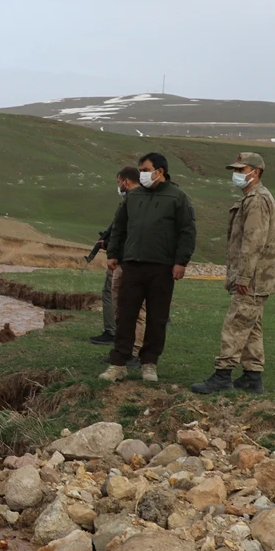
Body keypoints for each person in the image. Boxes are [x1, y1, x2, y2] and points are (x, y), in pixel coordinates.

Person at [100, 152, 197, 383]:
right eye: (140, 170)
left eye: (145, 169)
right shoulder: (133, 197)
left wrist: (180, 262)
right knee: (125, 315)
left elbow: (187, 231)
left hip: (162, 267)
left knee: (157, 317)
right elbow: (120, 227)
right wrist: (113, 254)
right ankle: (119, 364)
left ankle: (149, 363)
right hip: (132, 264)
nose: (141, 174)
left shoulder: (178, 197)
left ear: (159, 171)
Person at [192, 152, 275, 395]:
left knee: (236, 323)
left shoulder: (257, 200)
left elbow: (253, 241)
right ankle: (252, 376)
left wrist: (243, 276)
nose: (237, 175)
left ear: (256, 172)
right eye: (236, 170)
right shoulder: (251, 198)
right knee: (252, 327)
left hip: (252, 278)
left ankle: (223, 375)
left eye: (241, 170)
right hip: (256, 277)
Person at [92, 168, 144, 363]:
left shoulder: (135, 203)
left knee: (132, 308)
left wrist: (114, 251)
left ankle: (131, 351)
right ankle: (124, 350)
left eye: (119, 181)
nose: (118, 186)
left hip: (128, 262)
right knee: (124, 308)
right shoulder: (134, 202)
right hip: (124, 260)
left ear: (126, 182)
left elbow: (127, 234)